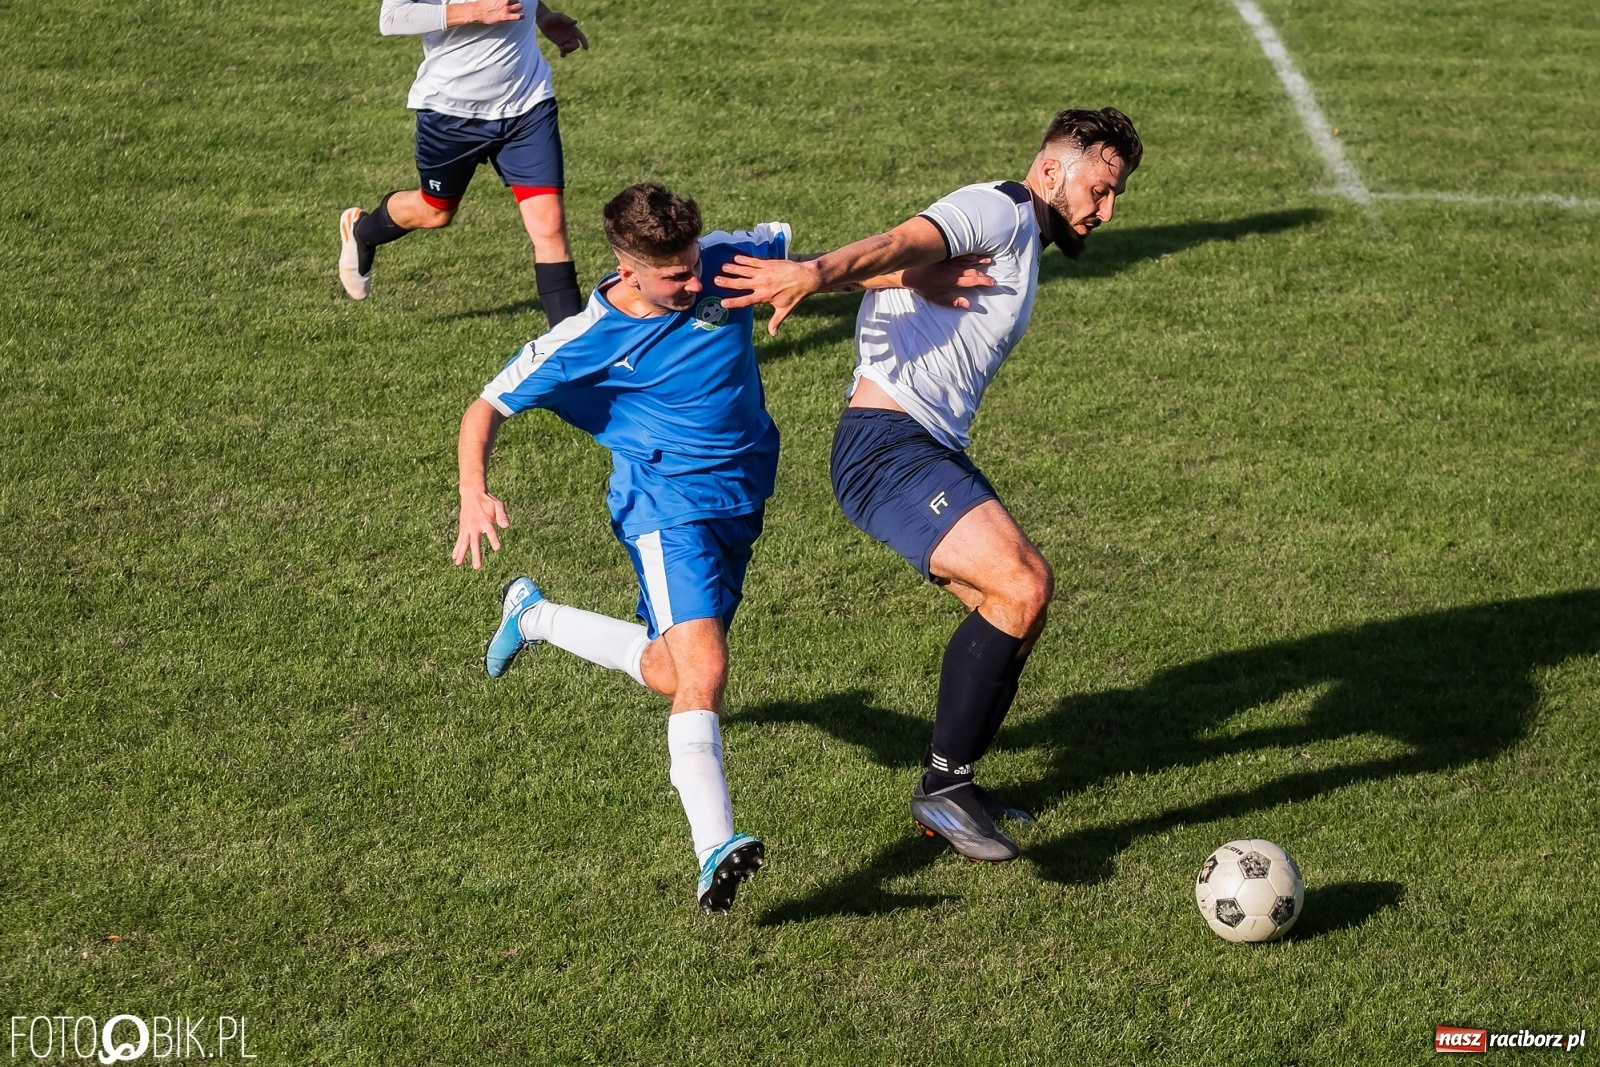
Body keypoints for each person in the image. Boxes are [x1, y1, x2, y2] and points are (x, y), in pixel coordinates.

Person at [452, 183, 989, 911]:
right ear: (627, 267)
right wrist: (474, 492)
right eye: (674, 274)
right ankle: (715, 847)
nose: (694, 281)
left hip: (741, 499)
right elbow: (484, 406)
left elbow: (812, 270)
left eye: (694, 261)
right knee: (705, 667)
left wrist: (913, 274)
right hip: (666, 509)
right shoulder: (586, 337)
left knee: (670, 672)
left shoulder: (721, 263)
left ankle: (535, 615)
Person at [716, 107, 1143, 863]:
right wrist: (816, 273)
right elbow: (900, 238)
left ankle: (955, 787)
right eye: (1101, 188)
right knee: (1022, 585)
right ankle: (943, 790)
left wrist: (871, 274)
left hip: (923, 445)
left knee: (1013, 608)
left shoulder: (1018, 234)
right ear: (1053, 170)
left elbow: (893, 262)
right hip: (887, 448)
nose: (1106, 210)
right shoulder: (1002, 208)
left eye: (1115, 198)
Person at [338, 0, 589, 327]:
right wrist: (473, 11)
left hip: (527, 105)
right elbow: (392, 17)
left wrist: (542, 16)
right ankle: (363, 232)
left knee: (550, 225)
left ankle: (571, 352)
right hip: (450, 113)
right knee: (435, 212)